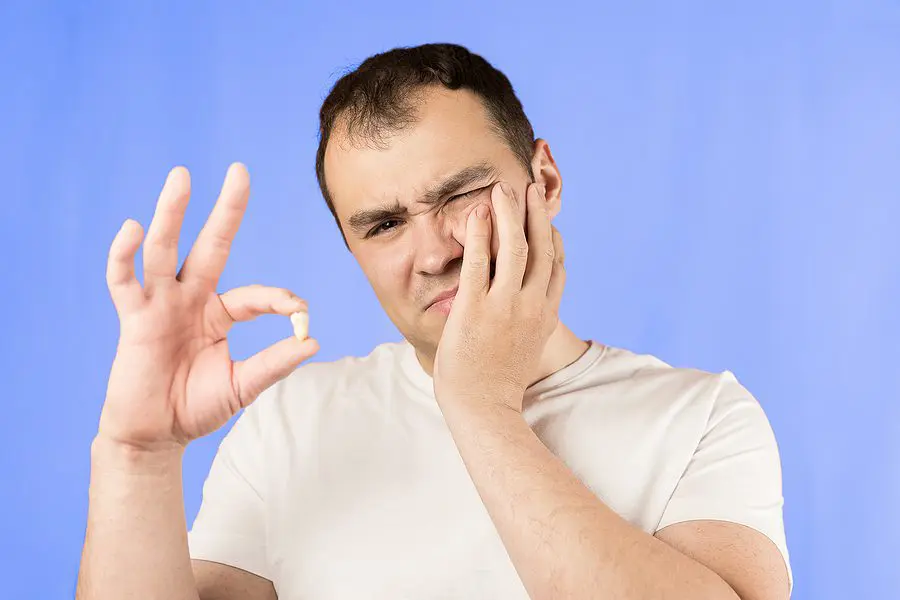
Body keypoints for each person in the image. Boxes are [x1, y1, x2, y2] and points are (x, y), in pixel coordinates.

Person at [76, 43, 792, 600]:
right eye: (384, 224)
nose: (432, 253)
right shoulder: (292, 423)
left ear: (542, 180)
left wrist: (479, 401)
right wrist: (137, 455)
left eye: (462, 195)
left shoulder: (702, 418)